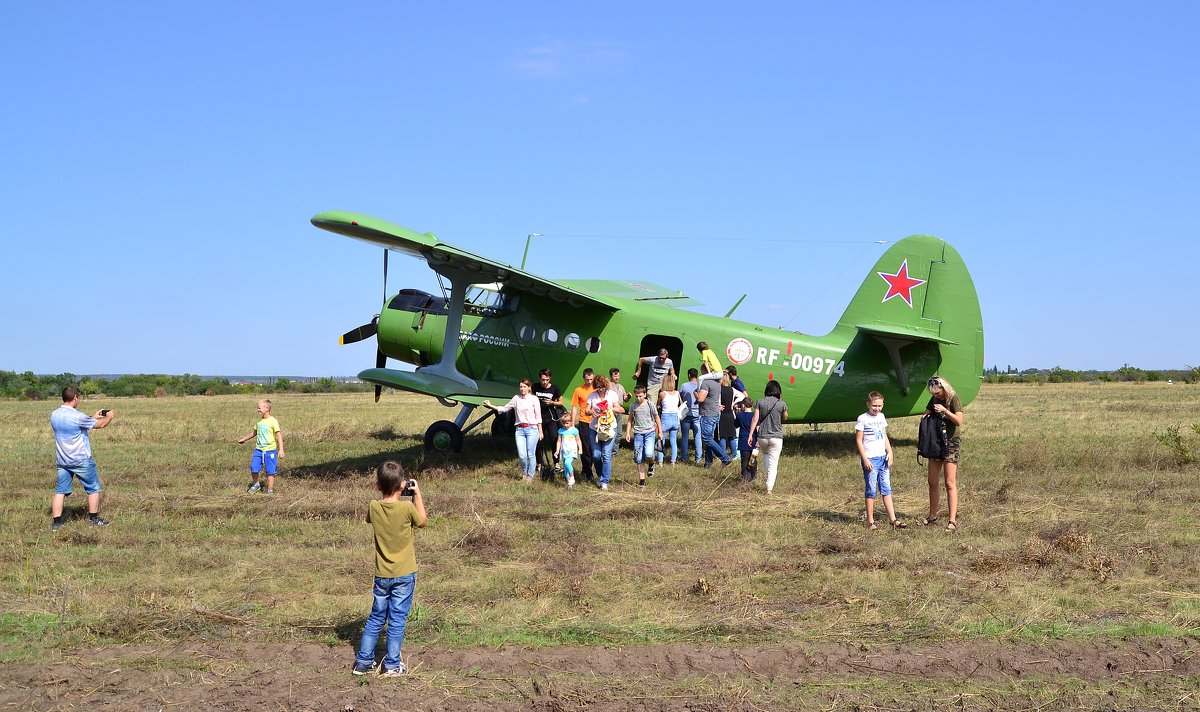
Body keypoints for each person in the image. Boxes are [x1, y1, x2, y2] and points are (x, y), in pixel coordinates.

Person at [352, 461, 427, 677]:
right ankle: (392, 664)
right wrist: (417, 494)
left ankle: (364, 662)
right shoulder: (406, 507)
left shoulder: (373, 507)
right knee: (396, 619)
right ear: (403, 485)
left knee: (376, 617)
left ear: (377, 486)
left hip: (382, 574)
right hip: (404, 574)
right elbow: (422, 521)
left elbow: (374, 515)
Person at [50, 386, 113, 530]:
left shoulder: (54, 415)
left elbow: (76, 425)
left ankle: (57, 523)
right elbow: (100, 425)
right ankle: (93, 519)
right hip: (81, 460)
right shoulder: (78, 416)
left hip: (62, 460)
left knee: (60, 491)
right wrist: (109, 417)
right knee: (93, 489)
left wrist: (92, 417)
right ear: (75, 398)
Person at [856, 392, 905, 530]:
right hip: (871, 459)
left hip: (883, 458)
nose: (876, 408)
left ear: (883, 405)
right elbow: (859, 441)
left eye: (879, 406)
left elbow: (884, 436)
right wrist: (865, 459)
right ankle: (870, 522)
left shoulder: (881, 417)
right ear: (868, 404)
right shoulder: (862, 419)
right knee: (871, 490)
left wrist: (890, 452)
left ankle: (893, 519)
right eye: (874, 406)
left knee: (886, 488)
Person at [922, 376, 965, 531]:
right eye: (934, 394)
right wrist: (926, 418)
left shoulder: (953, 398)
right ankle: (932, 515)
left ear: (944, 388)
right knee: (932, 481)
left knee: (949, 482)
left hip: (951, 442)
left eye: (938, 394)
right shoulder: (934, 399)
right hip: (936, 442)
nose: (936, 397)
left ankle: (952, 520)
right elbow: (926, 414)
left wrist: (945, 411)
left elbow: (959, 421)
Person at [483, 378, 543, 482]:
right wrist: (491, 405)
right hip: (519, 430)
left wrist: (540, 431)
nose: (522, 389)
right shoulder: (516, 398)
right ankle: (524, 473)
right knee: (522, 455)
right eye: (521, 387)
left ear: (529, 388)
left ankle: (530, 475)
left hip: (532, 429)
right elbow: (505, 408)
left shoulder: (534, 399)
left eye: (524, 387)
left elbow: (538, 416)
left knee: (530, 454)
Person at [585, 374, 625, 490]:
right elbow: (586, 410)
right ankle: (601, 474)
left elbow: (621, 409)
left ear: (606, 386)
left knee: (606, 454)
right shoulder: (592, 396)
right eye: (599, 387)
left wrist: (610, 408)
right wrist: (592, 412)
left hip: (610, 428)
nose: (601, 389)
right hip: (595, 428)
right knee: (596, 455)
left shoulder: (612, 394)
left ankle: (604, 481)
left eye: (603, 386)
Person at [748, 380, 789, 494]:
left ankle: (767, 478)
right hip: (776, 437)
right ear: (778, 391)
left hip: (762, 437)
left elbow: (755, 419)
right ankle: (769, 489)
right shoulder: (781, 403)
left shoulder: (760, 401)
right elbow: (785, 417)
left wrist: (751, 435)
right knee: (773, 463)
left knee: (766, 456)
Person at [238, 399, 285, 494]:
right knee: (253, 468)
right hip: (258, 450)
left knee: (270, 471)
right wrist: (244, 439)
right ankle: (256, 485)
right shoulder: (259, 422)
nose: (258, 410)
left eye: (259, 408)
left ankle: (270, 489)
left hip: (270, 451)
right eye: (257, 408)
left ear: (267, 408)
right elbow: (254, 433)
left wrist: (281, 450)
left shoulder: (273, 421)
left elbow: (278, 435)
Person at [625, 385, 662, 489]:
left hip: (649, 432)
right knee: (638, 458)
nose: (638, 398)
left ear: (645, 394)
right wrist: (627, 432)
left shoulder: (650, 404)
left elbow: (656, 417)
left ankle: (651, 464)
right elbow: (630, 420)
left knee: (649, 453)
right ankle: (642, 482)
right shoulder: (633, 405)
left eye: (640, 396)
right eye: (636, 396)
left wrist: (660, 431)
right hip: (638, 433)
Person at [695, 370, 731, 468]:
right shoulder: (717, 383)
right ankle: (708, 462)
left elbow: (700, 399)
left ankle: (725, 458)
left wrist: (696, 394)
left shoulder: (706, 383)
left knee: (706, 439)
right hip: (715, 413)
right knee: (710, 439)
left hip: (707, 414)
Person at [533, 369, 564, 480]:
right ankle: (539, 464)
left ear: (549, 379)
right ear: (539, 378)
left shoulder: (554, 388)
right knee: (538, 441)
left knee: (554, 439)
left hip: (550, 417)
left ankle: (556, 463)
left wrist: (552, 402)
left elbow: (561, 402)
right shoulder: (535, 387)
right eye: (542, 380)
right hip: (538, 417)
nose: (544, 382)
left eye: (546, 380)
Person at [570, 369, 597, 482]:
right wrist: (572, 423)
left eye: (591, 379)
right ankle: (588, 473)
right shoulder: (578, 390)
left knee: (593, 449)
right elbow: (575, 407)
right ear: (583, 378)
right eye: (587, 379)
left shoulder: (597, 389)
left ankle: (586, 469)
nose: (590, 381)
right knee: (585, 449)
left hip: (597, 422)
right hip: (584, 422)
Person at [656, 374, 683, 465]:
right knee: (673, 441)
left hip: (666, 418)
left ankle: (660, 461)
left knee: (661, 440)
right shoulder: (677, 393)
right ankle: (673, 461)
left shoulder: (662, 394)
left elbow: (658, 404)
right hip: (675, 418)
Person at [678, 368, 703, 464]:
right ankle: (698, 458)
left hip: (686, 413)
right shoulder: (700, 386)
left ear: (689, 375)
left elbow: (681, 396)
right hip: (697, 413)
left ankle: (684, 457)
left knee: (685, 436)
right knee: (697, 436)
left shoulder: (684, 385)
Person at [555, 413, 583, 489]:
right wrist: (557, 450)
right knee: (566, 469)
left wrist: (580, 449)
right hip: (564, 452)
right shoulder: (561, 431)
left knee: (568, 463)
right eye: (564, 423)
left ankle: (572, 476)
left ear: (571, 422)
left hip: (571, 451)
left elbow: (578, 440)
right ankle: (569, 484)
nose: (565, 425)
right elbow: (559, 441)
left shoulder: (574, 430)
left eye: (567, 423)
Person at [735, 397, 758, 482]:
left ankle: (745, 478)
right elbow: (758, 428)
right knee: (753, 460)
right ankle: (753, 476)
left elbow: (736, 425)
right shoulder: (754, 416)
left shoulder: (740, 416)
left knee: (744, 460)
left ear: (744, 405)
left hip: (743, 441)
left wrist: (737, 413)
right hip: (754, 441)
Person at [608, 367, 632, 448]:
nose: (617, 378)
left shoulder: (621, 387)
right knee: (610, 431)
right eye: (615, 376)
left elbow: (625, 399)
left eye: (618, 376)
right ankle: (608, 449)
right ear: (611, 376)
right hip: (611, 411)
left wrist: (628, 397)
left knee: (619, 433)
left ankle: (615, 451)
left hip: (619, 412)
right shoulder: (608, 385)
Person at [718, 373, 738, 460]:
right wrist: (734, 403)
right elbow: (742, 395)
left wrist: (718, 405)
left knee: (722, 435)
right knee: (731, 435)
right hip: (730, 414)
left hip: (722, 414)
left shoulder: (719, 389)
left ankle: (723, 454)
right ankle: (734, 454)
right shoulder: (732, 389)